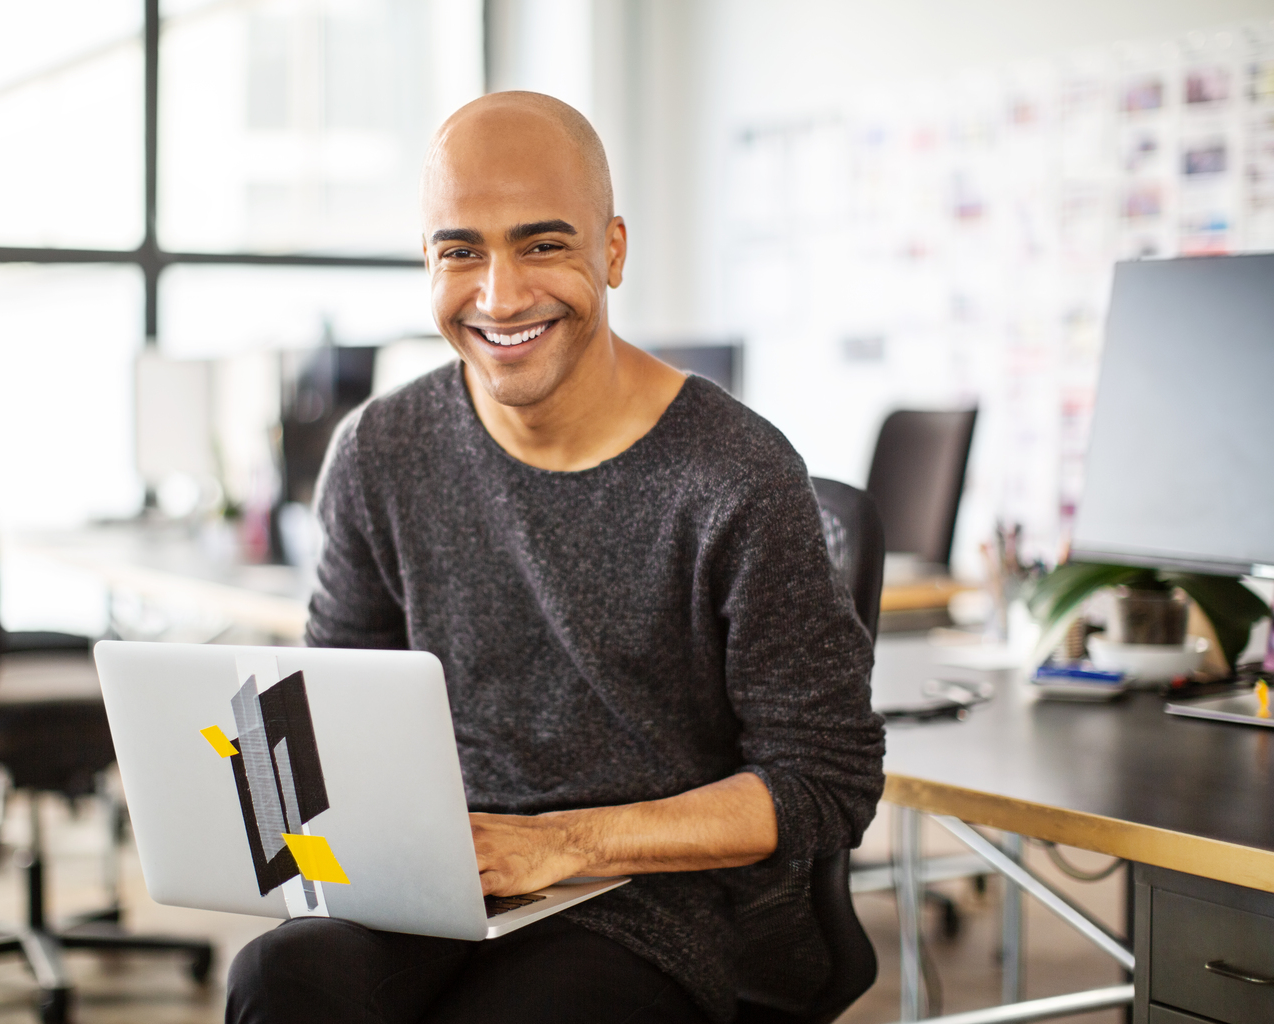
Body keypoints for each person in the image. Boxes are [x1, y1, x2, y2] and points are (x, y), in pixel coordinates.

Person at [226, 91, 884, 1024]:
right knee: (280, 981)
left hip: (661, 900)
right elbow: (335, 715)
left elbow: (827, 780)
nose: (499, 297)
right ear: (428, 262)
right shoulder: (380, 450)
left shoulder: (736, 473)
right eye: (461, 251)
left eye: (542, 245)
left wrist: (560, 844)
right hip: (451, 874)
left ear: (611, 250)